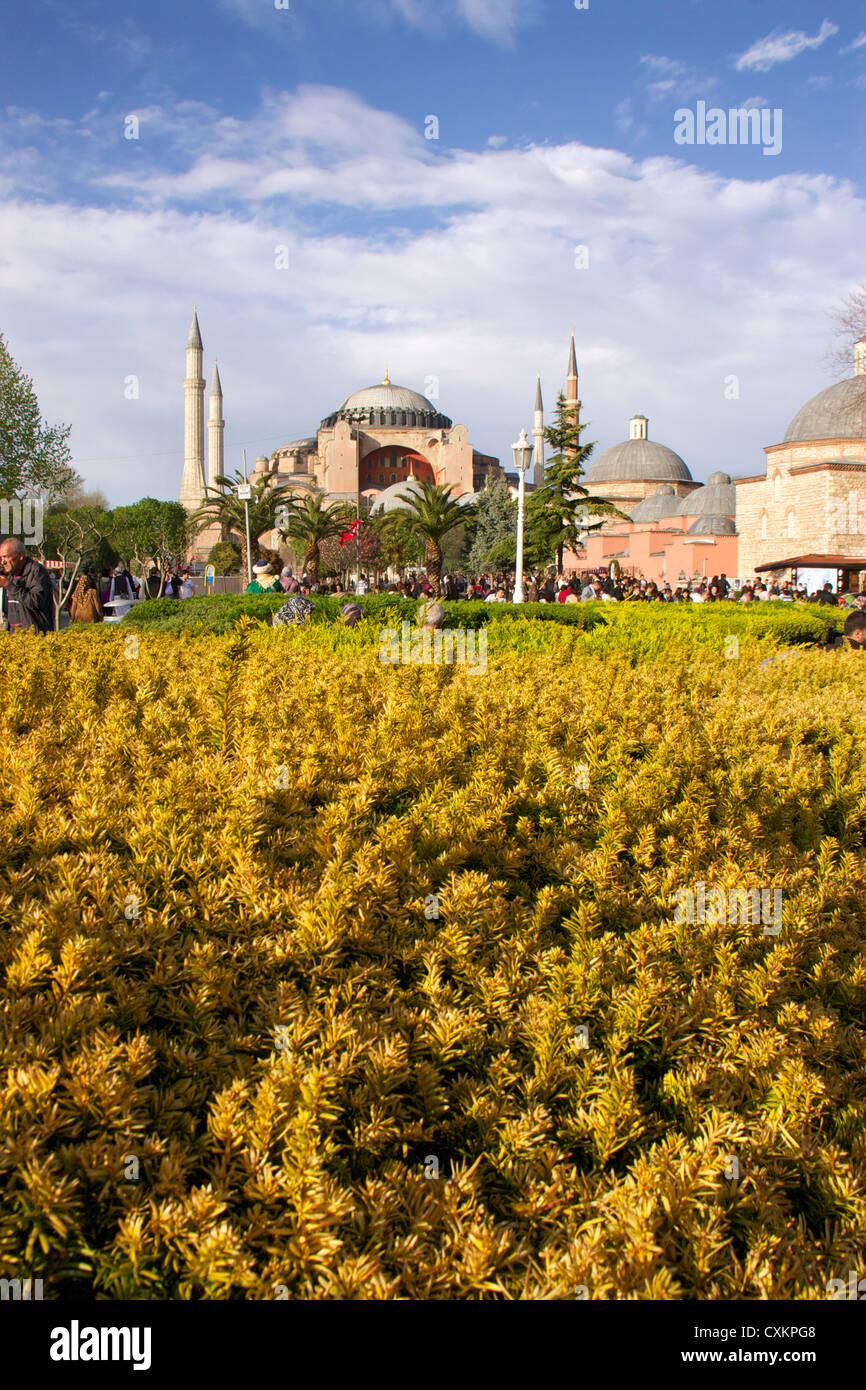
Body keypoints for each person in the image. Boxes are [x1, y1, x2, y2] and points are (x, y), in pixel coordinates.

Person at [0, 537, 55, 633]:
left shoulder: (37, 572)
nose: (3, 562)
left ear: (20, 555)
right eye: (1, 558)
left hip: (34, 638)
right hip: (14, 637)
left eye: (6, 557)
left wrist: (9, 585)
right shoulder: (10, 575)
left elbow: (36, 601)